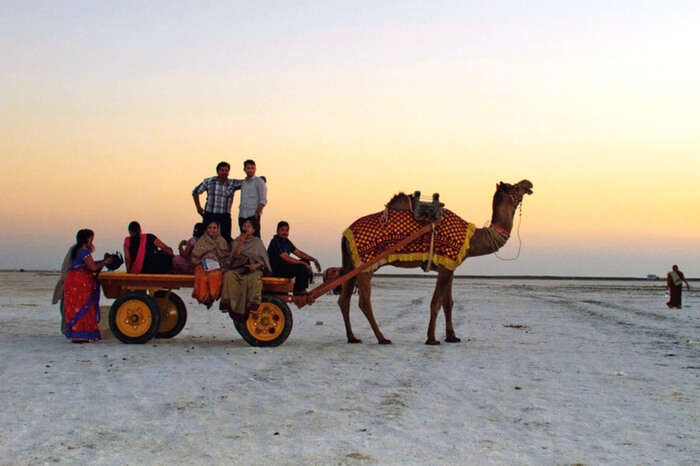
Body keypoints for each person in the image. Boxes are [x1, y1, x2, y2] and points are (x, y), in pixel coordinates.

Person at [63, 229, 113, 342]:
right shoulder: (84, 252)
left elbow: (87, 265)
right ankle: (82, 334)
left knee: (75, 307)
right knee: (84, 307)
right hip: (81, 282)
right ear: (88, 239)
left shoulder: (76, 251)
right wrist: (106, 262)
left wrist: (103, 261)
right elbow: (93, 267)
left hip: (72, 281)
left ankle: (77, 334)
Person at [220, 219, 271, 321]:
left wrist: (255, 266)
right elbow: (234, 256)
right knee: (229, 275)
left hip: (253, 269)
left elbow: (263, 261)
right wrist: (241, 241)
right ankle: (227, 304)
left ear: (253, 230)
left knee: (254, 278)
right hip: (239, 268)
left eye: (249, 226)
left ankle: (252, 305)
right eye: (244, 226)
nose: (246, 228)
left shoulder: (257, 242)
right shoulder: (237, 241)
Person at [192, 161, 242, 242]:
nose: (224, 172)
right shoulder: (209, 181)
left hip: (224, 216)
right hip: (210, 214)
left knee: (225, 238)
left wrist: (259, 180)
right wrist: (198, 207)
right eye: (222, 170)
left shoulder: (232, 183)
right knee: (207, 237)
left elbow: (246, 182)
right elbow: (195, 192)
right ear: (218, 171)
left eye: (226, 170)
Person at [267, 221, 321, 295]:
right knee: (302, 266)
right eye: (282, 230)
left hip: (284, 268)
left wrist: (314, 260)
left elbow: (298, 253)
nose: (285, 232)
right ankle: (299, 290)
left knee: (306, 261)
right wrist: (304, 264)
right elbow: (285, 257)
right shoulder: (275, 241)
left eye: (287, 230)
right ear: (277, 231)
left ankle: (300, 288)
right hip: (276, 270)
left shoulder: (286, 241)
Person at [191, 221, 230, 307]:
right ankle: (204, 297)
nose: (212, 230)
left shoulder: (222, 241)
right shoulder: (202, 240)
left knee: (215, 274)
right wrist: (206, 257)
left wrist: (216, 260)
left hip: (218, 266)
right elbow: (195, 256)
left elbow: (226, 257)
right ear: (206, 229)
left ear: (218, 229)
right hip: (203, 265)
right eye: (210, 228)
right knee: (201, 274)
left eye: (214, 228)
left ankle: (212, 295)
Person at [238, 159, 267, 238]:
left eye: (252, 168)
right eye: (248, 168)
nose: (250, 170)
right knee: (244, 238)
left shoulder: (259, 181)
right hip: (242, 215)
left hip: (253, 215)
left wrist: (257, 213)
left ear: (255, 169)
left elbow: (263, 200)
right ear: (244, 169)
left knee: (255, 238)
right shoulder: (243, 183)